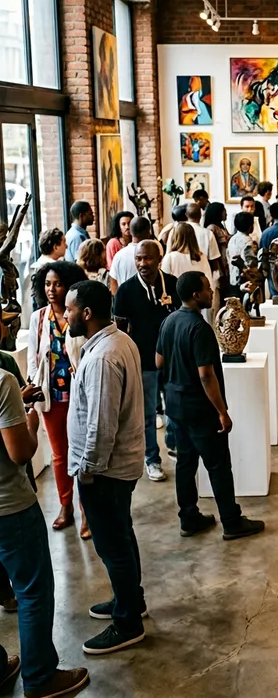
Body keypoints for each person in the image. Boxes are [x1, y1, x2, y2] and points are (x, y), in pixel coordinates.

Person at [65, 280, 147, 655]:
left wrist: (88, 470)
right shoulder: (118, 341)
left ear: (86, 313)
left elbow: (101, 425)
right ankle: (130, 600)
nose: (65, 316)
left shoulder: (102, 357)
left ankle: (128, 622)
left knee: (113, 546)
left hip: (105, 472)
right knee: (121, 536)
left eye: (69, 310)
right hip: (115, 468)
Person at [0, 365, 89, 696]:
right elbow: (20, 452)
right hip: (10, 507)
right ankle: (40, 678)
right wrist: (31, 424)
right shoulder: (3, 381)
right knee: (33, 591)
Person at [156, 271, 265, 541]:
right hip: (200, 409)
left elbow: (158, 361)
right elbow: (206, 375)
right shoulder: (200, 328)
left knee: (185, 464)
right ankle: (231, 521)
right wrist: (222, 411)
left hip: (175, 406)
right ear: (196, 295)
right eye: (207, 288)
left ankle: (189, 517)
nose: (211, 292)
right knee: (218, 466)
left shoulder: (168, 321)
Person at [28, 261, 88, 535]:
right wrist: (34, 385)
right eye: (47, 284)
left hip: (79, 395)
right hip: (51, 396)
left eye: (58, 284)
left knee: (83, 453)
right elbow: (33, 358)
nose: (51, 289)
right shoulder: (39, 318)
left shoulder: (78, 314)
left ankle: (86, 509)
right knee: (59, 455)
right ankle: (66, 506)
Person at [113, 241, 180, 483]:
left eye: (148, 258)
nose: (142, 263)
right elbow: (119, 331)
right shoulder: (125, 291)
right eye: (138, 259)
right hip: (143, 362)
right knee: (148, 414)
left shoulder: (172, 284)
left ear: (159, 259)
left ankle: (174, 444)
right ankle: (152, 458)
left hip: (171, 360)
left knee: (174, 407)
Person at [110, 216, 154, 294]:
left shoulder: (118, 256)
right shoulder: (152, 254)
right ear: (148, 232)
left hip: (124, 299)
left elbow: (114, 286)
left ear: (131, 232)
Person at [204, 202, 232, 313]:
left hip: (226, 265)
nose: (226, 213)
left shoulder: (221, 226)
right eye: (224, 211)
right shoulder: (212, 228)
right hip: (220, 265)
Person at [31, 229, 67, 311]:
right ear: (55, 247)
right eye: (64, 242)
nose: (66, 246)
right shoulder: (53, 269)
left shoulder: (38, 264)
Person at [227, 212, 258, 300]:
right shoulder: (248, 241)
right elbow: (251, 263)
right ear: (250, 226)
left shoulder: (232, 239)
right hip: (244, 280)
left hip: (233, 278)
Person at [186, 202, 221, 273]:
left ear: (186, 215)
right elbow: (214, 259)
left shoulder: (176, 231)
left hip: (182, 272)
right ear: (201, 215)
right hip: (203, 272)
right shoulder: (208, 233)